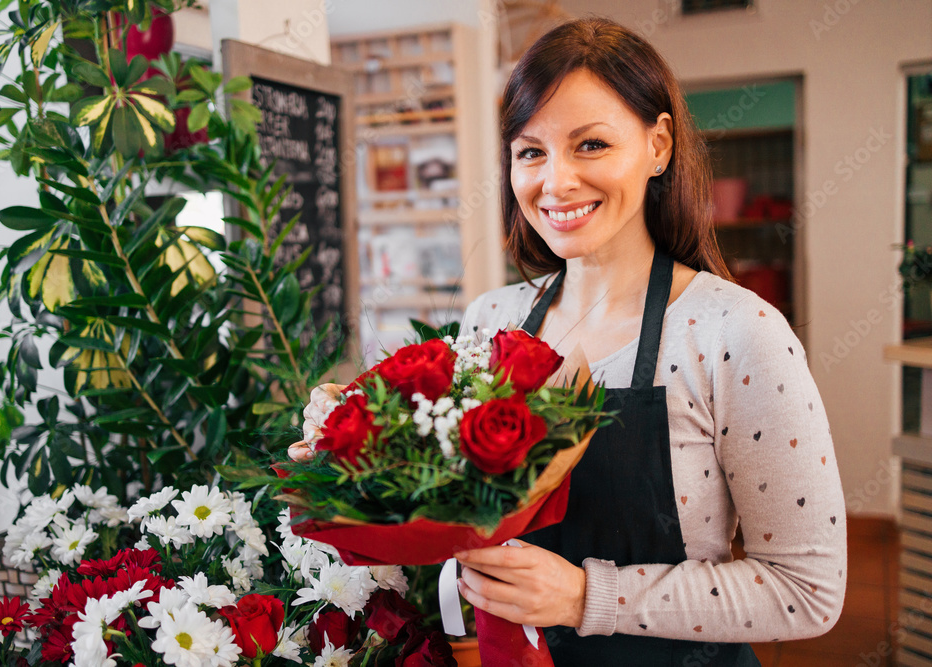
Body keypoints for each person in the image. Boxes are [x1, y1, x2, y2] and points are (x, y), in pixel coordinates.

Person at [291, 16, 845, 667]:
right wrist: (356, 463)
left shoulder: (735, 333)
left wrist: (588, 595)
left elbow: (808, 591)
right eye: (531, 151)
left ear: (659, 145)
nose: (556, 182)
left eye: (590, 145)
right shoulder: (490, 321)